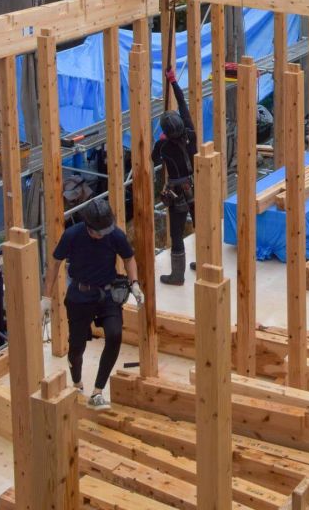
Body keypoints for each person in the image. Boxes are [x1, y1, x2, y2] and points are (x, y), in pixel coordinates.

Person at [41, 197, 143, 409]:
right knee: (77, 346)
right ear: (89, 226)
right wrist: (46, 298)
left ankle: (97, 391)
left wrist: (134, 283)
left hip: (107, 294)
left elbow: (129, 257)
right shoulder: (72, 235)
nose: (103, 235)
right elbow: (54, 264)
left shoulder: (113, 233)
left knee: (115, 335)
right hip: (80, 296)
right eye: (99, 232)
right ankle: (77, 382)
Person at [153, 67, 198, 285]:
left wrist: (161, 140)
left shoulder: (163, 146)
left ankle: (177, 275)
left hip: (177, 192)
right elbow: (182, 104)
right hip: (197, 184)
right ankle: (205, 262)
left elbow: (153, 158)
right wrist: (173, 82)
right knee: (201, 223)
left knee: (177, 232)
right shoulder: (190, 132)